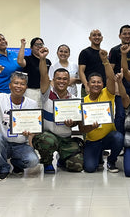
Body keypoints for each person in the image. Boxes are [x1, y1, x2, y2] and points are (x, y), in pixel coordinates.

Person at [0, 66, 40, 181]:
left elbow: (35, 127)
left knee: (33, 161)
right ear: (10, 85)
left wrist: (31, 135)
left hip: (21, 144)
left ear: (26, 88)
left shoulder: (32, 104)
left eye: (22, 84)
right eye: (16, 83)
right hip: (3, 144)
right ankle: (4, 168)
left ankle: (16, 163)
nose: (19, 86)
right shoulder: (0, 98)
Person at [31, 46, 84, 174]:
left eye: (65, 79)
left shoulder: (73, 100)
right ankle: (47, 162)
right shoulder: (47, 93)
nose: (61, 81)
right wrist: (42, 59)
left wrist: (73, 123)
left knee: (77, 166)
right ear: (53, 80)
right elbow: (43, 76)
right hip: (48, 136)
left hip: (65, 138)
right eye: (58, 79)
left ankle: (63, 159)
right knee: (48, 141)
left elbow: (77, 122)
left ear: (69, 81)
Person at [79, 49, 124, 173]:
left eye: (99, 82)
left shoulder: (107, 93)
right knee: (89, 168)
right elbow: (81, 129)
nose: (96, 84)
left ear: (103, 84)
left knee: (119, 137)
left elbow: (111, 77)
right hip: (92, 141)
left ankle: (111, 160)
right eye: (93, 82)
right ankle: (98, 156)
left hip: (108, 138)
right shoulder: (83, 102)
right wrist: (90, 128)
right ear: (88, 83)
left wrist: (105, 61)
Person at [108, 24, 130, 99]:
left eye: (129, 34)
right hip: (120, 86)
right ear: (120, 36)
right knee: (121, 110)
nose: (127, 36)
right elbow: (110, 70)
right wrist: (115, 85)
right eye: (124, 34)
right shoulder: (114, 50)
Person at [17, 37, 52, 107]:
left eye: (41, 44)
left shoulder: (47, 61)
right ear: (31, 48)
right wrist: (23, 45)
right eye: (36, 45)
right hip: (31, 91)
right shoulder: (28, 59)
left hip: (45, 91)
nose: (39, 46)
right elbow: (20, 61)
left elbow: (49, 76)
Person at [79, 29, 107, 97]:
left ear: (102, 38)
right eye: (94, 35)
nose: (97, 37)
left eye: (99, 35)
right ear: (90, 38)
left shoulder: (103, 54)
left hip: (102, 89)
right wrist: (86, 85)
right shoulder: (85, 52)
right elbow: (81, 71)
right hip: (88, 89)